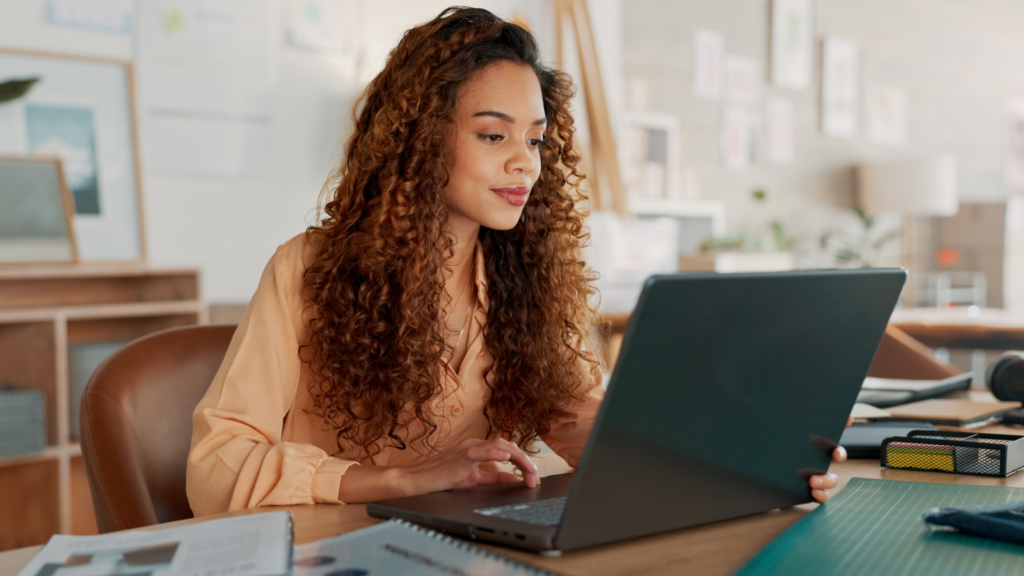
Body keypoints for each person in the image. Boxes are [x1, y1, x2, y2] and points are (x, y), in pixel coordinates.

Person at [186, 7, 844, 516]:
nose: (525, 162)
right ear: (419, 140)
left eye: (534, 139)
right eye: (493, 135)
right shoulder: (308, 268)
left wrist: (737, 459)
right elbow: (215, 467)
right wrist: (398, 479)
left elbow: (583, 422)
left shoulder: (524, 278)